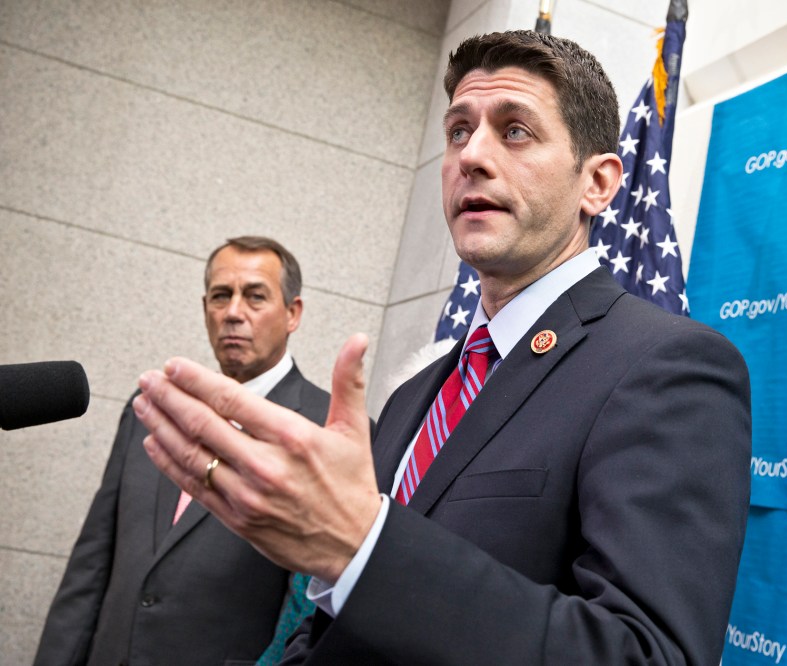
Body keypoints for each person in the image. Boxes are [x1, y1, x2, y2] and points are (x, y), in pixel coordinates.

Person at [134, 31, 752, 665]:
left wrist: (362, 549)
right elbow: (329, 623)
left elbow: (644, 655)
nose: (472, 156)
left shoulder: (668, 369)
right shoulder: (414, 394)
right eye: (458, 131)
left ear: (597, 183)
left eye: (514, 131)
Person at [34, 236, 330, 666]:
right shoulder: (151, 406)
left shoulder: (324, 429)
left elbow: (308, 608)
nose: (233, 313)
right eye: (221, 296)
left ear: (292, 313)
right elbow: (91, 564)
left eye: (255, 296)